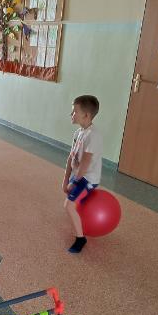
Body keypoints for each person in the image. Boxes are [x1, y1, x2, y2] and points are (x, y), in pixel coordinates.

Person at [62, 95, 103, 254]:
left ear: (86, 115)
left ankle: (81, 239)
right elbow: (71, 157)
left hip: (88, 179)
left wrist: (74, 183)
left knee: (68, 205)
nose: (71, 114)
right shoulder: (79, 132)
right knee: (71, 203)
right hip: (79, 175)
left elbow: (85, 165)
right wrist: (65, 180)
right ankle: (79, 220)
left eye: (74, 111)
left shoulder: (93, 135)